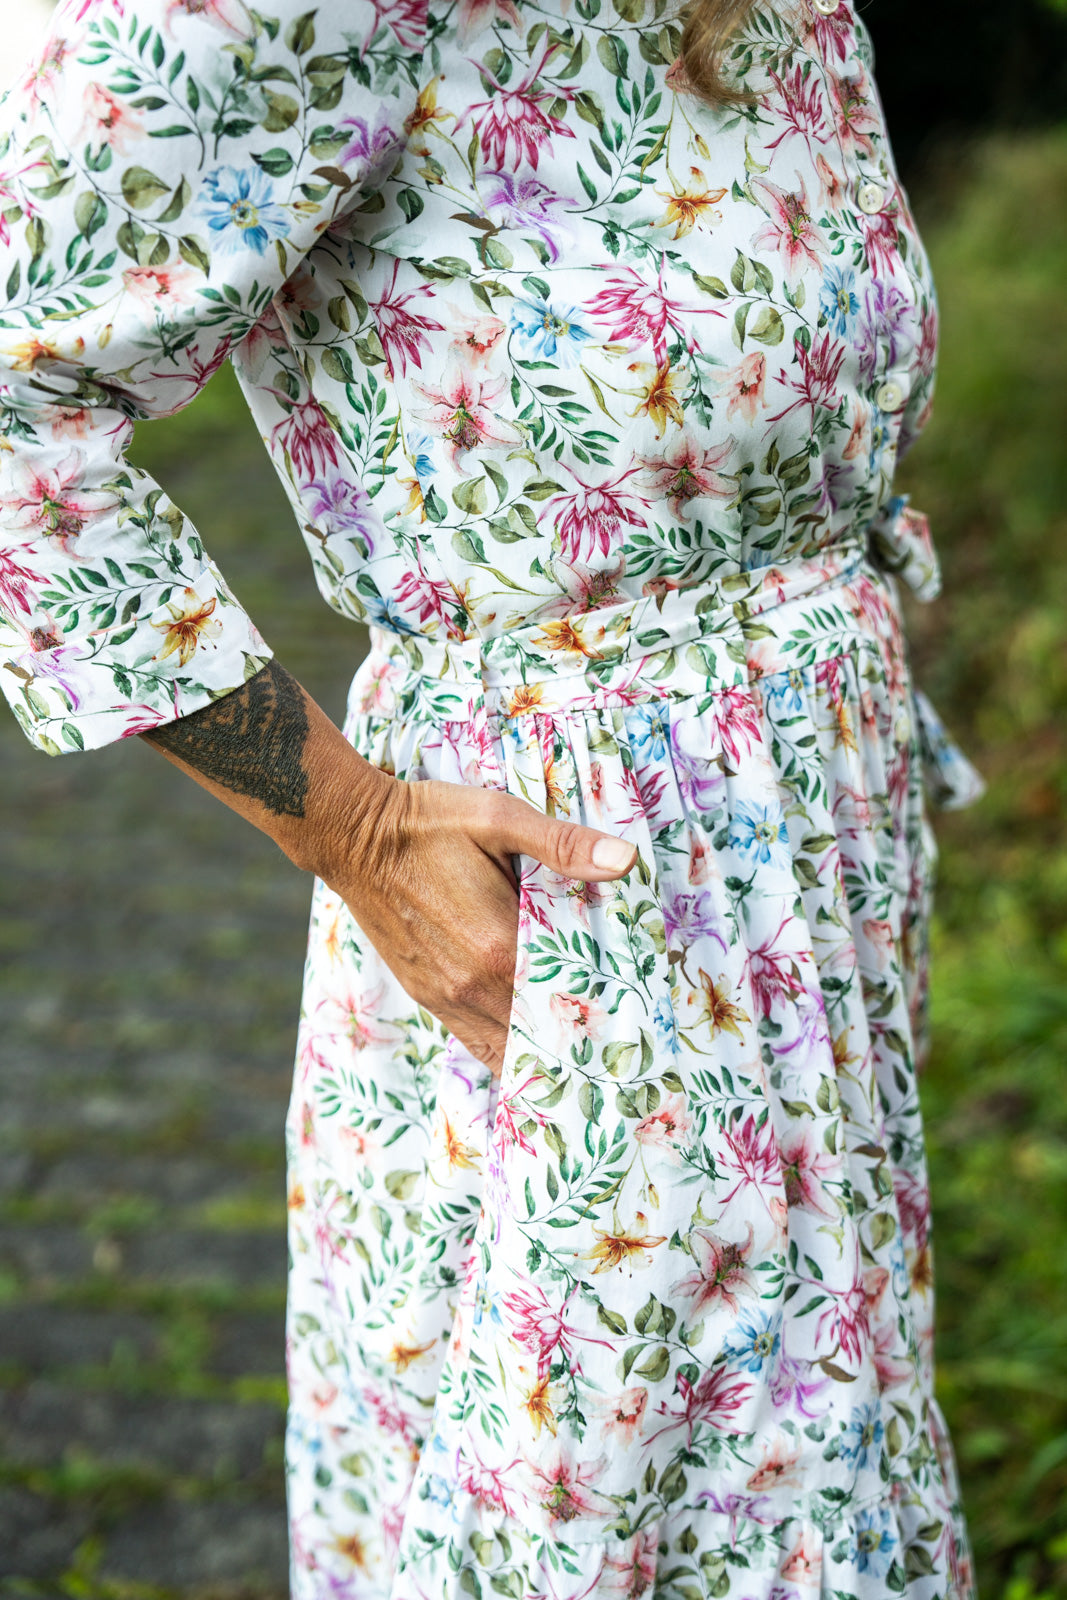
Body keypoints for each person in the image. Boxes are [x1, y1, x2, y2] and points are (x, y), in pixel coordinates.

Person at [0, 0, 987, 1593]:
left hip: (806, 874)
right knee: (613, 1512)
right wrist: (359, 829)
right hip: (585, 902)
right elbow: (13, 404)